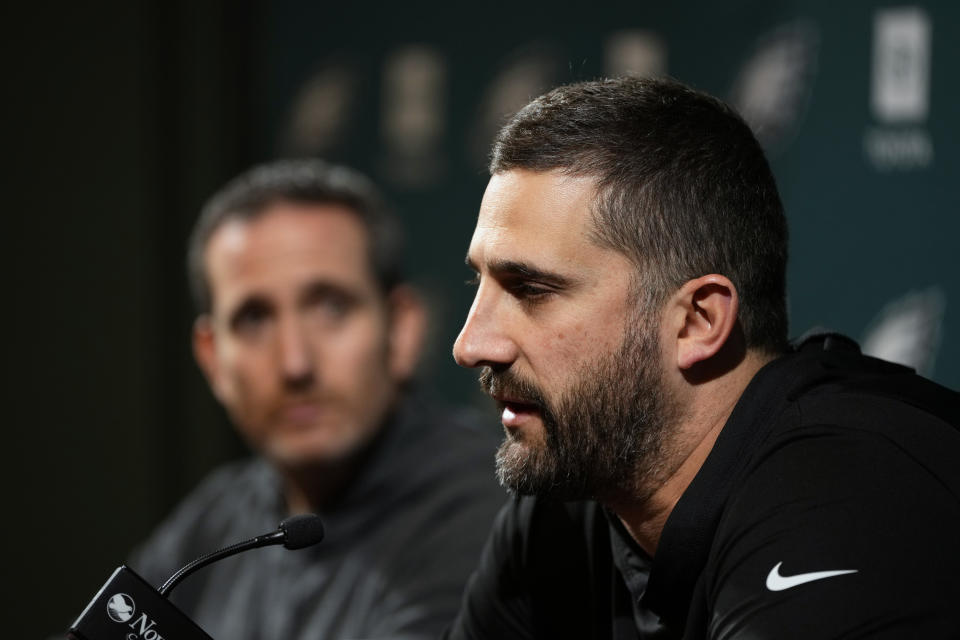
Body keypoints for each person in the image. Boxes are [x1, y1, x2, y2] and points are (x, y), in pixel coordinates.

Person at [447, 77, 960, 639]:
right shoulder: (568, 502)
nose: (471, 345)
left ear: (698, 322)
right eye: (480, 283)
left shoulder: (848, 496)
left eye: (530, 289)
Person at [131, 159, 504, 640]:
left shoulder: (487, 516)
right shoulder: (211, 524)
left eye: (331, 307)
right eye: (254, 320)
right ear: (213, 360)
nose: (295, 363)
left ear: (402, 330)